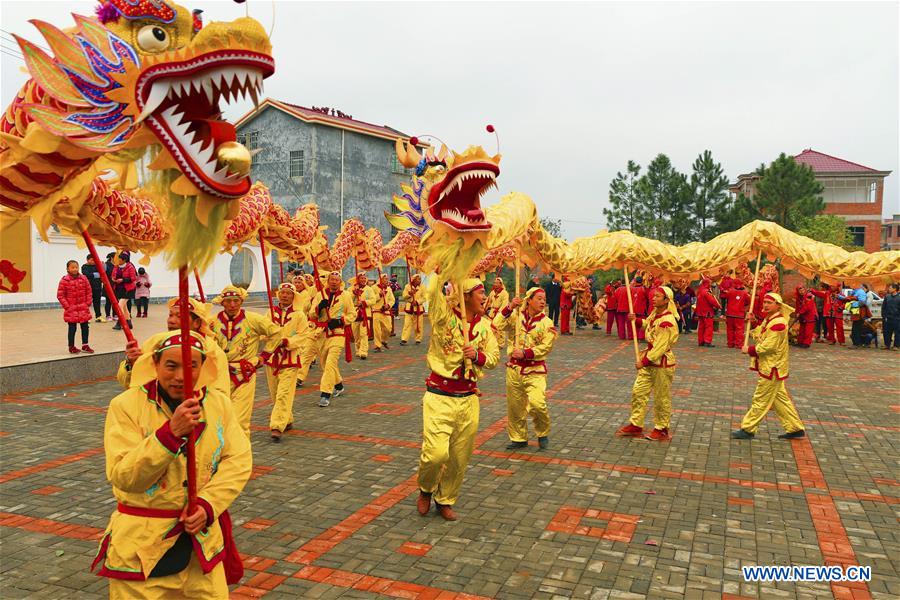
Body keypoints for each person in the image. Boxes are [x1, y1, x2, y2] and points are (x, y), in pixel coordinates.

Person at [91, 330, 251, 596]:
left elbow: (238, 460)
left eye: (191, 366)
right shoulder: (126, 406)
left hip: (202, 548)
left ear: (204, 366)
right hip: (141, 552)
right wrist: (169, 435)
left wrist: (208, 505)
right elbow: (125, 476)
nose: (180, 376)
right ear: (154, 364)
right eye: (171, 365)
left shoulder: (219, 403)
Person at [416, 279, 499, 521]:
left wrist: (478, 355)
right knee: (435, 454)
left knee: (459, 457)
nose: (485, 297)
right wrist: (442, 273)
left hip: (468, 398)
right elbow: (432, 295)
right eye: (481, 292)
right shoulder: (444, 318)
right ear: (465, 296)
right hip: (439, 396)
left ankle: (445, 499)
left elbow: (494, 357)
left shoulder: (485, 327)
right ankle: (425, 488)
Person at [117, 297, 229, 397]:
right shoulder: (155, 342)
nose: (171, 321)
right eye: (170, 315)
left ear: (197, 322)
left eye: (179, 316)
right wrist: (131, 364)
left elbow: (220, 394)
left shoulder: (212, 351)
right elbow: (131, 384)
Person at [732, 293, 805, 440]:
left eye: (769, 303)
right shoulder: (769, 320)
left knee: (760, 399)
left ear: (778, 305)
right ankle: (795, 427)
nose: (765, 305)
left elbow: (769, 346)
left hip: (772, 368)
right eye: (764, 302)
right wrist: (752, 323)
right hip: (770, 367)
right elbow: (759, 335)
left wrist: (750, 350)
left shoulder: (778, 323)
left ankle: (748, 428)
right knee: (780, 400)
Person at [493, 287, 557, 450]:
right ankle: (518, 438)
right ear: (529, 300)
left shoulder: (547, 323)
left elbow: (546, 346)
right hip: (514, 369)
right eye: (539, 298)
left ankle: (542, 432)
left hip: (535, 371)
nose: (543, 301)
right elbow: (496, 324)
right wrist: (509, 307)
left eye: (544, 299)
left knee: (537, 403)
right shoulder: (516, 316)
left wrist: (526, 352)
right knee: (515, 406)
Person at [212, 285, 281, 436]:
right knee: (217, 416)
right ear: (222, 302)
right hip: (220, 374)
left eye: (236, 301)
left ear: (241, 302)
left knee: (239, 419)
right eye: (228, 301)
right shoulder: (212, 322)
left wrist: (264, 356)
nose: (232, 305)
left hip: (245, 374)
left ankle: (241, 455)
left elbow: (276, 333)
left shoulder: (253, 319)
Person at [615, 286, 679, 441]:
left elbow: (659, 347)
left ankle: (662, 428)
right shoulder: (655, 314)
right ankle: (636, 424)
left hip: (661, 363)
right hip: (650, 362)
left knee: (661, 397)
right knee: (638, 392)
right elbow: (648, 324)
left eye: (657, 296)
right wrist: (636, 320)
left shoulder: (667, 321)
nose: (654, 298)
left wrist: (643, 362)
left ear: (666, 300)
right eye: (654, 296)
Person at [263, 283, 309, 441]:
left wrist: (287, 341)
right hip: (272, 359)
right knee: (275, 394)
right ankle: (286, 418)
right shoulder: (270, 312)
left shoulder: (299, 315)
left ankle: (277, 425)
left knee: (283, 394)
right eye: (282, 292)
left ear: (293, 296)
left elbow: (304, 336)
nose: (285, 296)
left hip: (290, 359)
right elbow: (263, 332)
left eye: (288, 293)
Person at [307, 271, 355, 407]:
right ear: (328, 281)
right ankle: (338, 385)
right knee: (324, 364)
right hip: (321, 334)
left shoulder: (346, 296)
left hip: (338, 333)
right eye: (331, 279)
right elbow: (311, 314)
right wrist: (319, 308)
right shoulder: (319, 295)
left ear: (340, 282)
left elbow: (352, 313)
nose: (334, 282)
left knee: (330, 363)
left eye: (336, 279)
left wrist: (341, 321)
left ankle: (325, 394)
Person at [57, 260, 94, 354]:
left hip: (83, 307)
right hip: (71, 309)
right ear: (67, 269)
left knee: (85, 327)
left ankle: (85, 345)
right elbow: (60, 295)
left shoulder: (84, 278)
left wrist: (88, 303)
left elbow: (89, 291)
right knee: (72, 328)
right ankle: (71, 346)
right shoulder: (64, 281)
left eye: (76, 267)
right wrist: (67, 306)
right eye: (72, 267)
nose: (75, 269)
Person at [349, 273, 374, 359]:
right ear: (357, 279)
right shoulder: (351, 289)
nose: (363, 280)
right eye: (361, 278)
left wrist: (364, 303)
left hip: (365, 314)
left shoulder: (369, 289)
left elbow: (373, 300)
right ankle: (358, 349)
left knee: (364, 334)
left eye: (364, 278)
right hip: (355, 314)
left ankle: (363, 351)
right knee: (356, 335)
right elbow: (348, 301)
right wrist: (354, 293)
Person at [111, 252, 137, 331]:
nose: (118, 260)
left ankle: (120, 322)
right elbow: (113, 275)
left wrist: (123, 280)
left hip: (128, 289)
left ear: (124, 260)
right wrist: (114, 279)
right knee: (124, 307)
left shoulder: (130, 267)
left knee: (120, 306)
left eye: (119, 259)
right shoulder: (116, 267)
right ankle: (129, 323)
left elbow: (133, 278)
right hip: (119, 289)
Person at [370, 274, 395, 353]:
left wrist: (388, 305)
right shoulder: (373, 288)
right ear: (380, 279)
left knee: (388, 328)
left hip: (386, 311)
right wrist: (379, 295)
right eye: (384, 279)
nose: (386, 280)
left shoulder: (389, 289)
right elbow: (371, 299)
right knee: (377, 329)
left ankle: (384, 340)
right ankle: (377, 346)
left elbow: (392, 300)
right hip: (376, 311)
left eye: (387, 279)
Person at [722, 278, 749, 348]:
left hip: (730, 314)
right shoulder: (745, 293)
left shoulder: (730, 291)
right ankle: (739, 344)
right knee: (739, 329)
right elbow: (748, 301)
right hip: (739, 314)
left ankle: (730, 343)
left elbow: (725, 296)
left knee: (730, 329)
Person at [401, 273, 426, 345]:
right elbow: (404, 296)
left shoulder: (423, 287)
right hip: (409, 308)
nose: (420, 280)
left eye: (420, 279)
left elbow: (425, 297)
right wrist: (410, 294)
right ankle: (404, 339)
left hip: (419, 308)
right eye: (418, 279)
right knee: (407, 324)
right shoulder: (407, 286)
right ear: (414, 280)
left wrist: (417, 302)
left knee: (418, 325)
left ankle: (418, 339)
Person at [695, 278, 721, 347]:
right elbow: (712, 301)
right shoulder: (707, 292)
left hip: (700, 312)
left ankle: (701, 341)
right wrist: (719, 306)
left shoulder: (699, 291)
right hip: (707, 312)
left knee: (701, 327)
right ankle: (707, 341)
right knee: (708, 327)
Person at [486, 277, 510, 344]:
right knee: (490, 327)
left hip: (499, 313)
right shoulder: (492, 292)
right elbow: (488, 301)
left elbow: (505, 304)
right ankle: (490, 341)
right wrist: (484, 308)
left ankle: (500, 343)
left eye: (497, 283)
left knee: (499, 328)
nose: (495, 284)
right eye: (494, 283)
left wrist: (500, 313)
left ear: (500, 284)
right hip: (491, 313)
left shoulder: (505, 293)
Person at [81, 254, 104, 323]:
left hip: (98, 287)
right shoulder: (84, 267)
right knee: (87, 303)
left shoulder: (97, 266)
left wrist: (94, 274)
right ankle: (86, 317)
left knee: (97, 302)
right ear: (87, 260)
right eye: (92, 260)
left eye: (94, 260)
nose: (93, 261)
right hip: (88, 288)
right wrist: (96, 275)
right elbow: (86, 275)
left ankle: (98, 316)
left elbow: (102, 273)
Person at [627, 276, 648, 341]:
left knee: (633, 322)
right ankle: (641, 337)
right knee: (641, 322)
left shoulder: (631, 289)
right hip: (641, 309)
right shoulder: (644, 289)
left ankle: (632, 336)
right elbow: (647, 298)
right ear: (642, 281)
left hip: (632, 308)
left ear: (635, 281)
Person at [882, 283, 900, 350]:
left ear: (895, 289)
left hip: (897, 318)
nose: (889, 289)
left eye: (890, 288)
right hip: (887, 318)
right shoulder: (887, 297)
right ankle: (887, 345)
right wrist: (884, 316)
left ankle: (896, 346)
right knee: (887, 332)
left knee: (897, 333)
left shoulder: (899, 297)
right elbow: (883, 307)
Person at [104, 252, 117, 321]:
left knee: (116, 301)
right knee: (108, 301)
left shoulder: (118, 265)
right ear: (112, 257)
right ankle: (108, 315)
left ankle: (115, 314)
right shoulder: (106, 265)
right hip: (108, 285)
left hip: (116, 285)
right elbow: (103, 274)